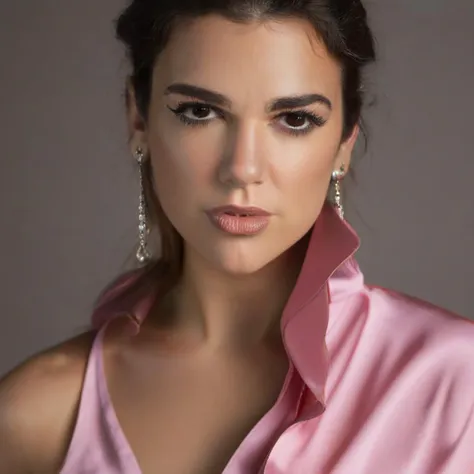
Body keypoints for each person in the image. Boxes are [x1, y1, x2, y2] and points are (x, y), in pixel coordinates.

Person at [1, 0, 473, 473]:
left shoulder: (454, 384)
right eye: (200, 111)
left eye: (294, 119)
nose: (242, 168)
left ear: (344, 143)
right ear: (138, 119)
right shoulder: (37, 415)